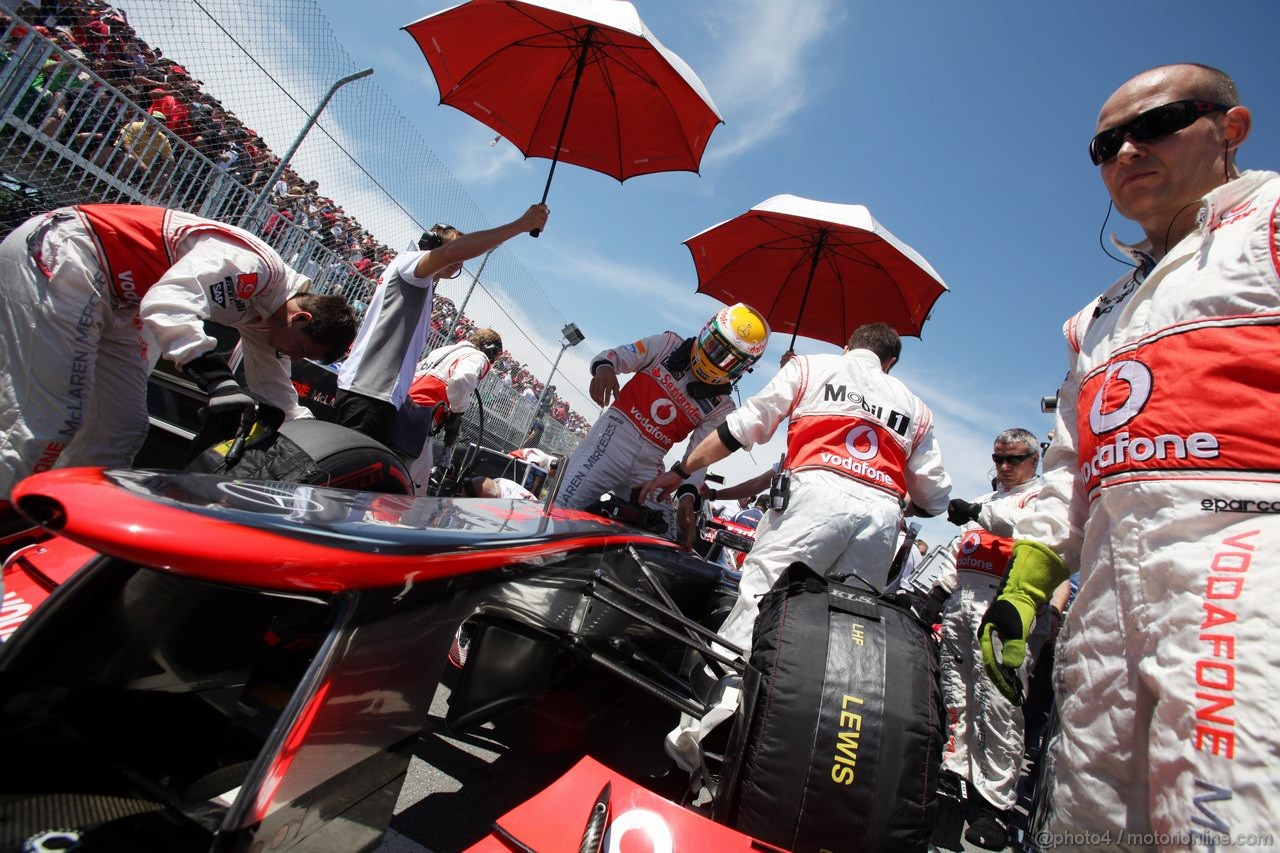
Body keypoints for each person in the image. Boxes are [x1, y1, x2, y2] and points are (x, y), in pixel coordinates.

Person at [981, 64, 1280, 843]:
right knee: (1088, 818)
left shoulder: (1272, 222)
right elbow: (1067, 469)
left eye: (1156, 124)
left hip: (1247, 568)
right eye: (1106, 142)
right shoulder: (1093, 320)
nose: (1127, 151)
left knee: (1227, 819)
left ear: (1231, 128)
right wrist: (1024, 586)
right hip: (1110, 582)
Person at [0, 203, 356, 505]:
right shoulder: (257, 268)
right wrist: (216, 379)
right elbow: (167, 304)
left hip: (123, 297)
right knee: (50, 420)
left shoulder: (270, 317)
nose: (293, 359)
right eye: (303, 350)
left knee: (118, 431)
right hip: (68, 252)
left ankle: (64, 520)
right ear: (301, 319)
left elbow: (275, 389)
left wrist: (318, 441)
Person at [645, 322, 952, 653]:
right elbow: (935, 500)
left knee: (762, 604)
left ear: (847, 347)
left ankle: (727, 693)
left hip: (813, 500)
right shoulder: (918, 410)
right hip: (880, 521)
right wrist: (893, 500)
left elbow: (738, 429)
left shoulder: (809, 366)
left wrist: (681, 470)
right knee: (839, 631)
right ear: (889, 363)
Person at [336, 204, 549, 445]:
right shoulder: (410, 263)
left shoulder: (421, 283)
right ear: (432, 245)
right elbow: (451, 253)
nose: (459, 259)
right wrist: (520, 225)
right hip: (370, 392)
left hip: (378, 393)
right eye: (453, 250)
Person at [555, 304, 770, 542]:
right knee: (558, 511)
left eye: (730, 360)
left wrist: (688, 497)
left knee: (666, 540)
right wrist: (605, 368)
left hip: (651, 464)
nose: (716, 359)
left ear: (743, 369)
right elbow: (615, 356)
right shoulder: (666, 345)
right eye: (714, 346)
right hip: (610, 440)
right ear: (705, 331)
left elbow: (699, 457)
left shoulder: (722, 406)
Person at [932, 429, 1044, 850]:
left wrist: (977, 511)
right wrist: (938, 593)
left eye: (1013, 459)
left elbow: (1028, 530)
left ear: (1034, 459)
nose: (1003, 467)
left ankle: (993, 804)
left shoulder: (1040, 499)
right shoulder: (987, 498)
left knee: (998, 704)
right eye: (998, 458)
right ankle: (955, 771)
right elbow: (963, 548)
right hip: (963, 600)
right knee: (957, 693)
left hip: (1004, 604)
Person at [391, 328, 503, 495]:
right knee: (410, 488)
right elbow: (461, 378)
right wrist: (457, 410)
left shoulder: (442, 350)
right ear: (491, 349)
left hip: (399, 405)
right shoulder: (478, 357)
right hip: (418, 418)